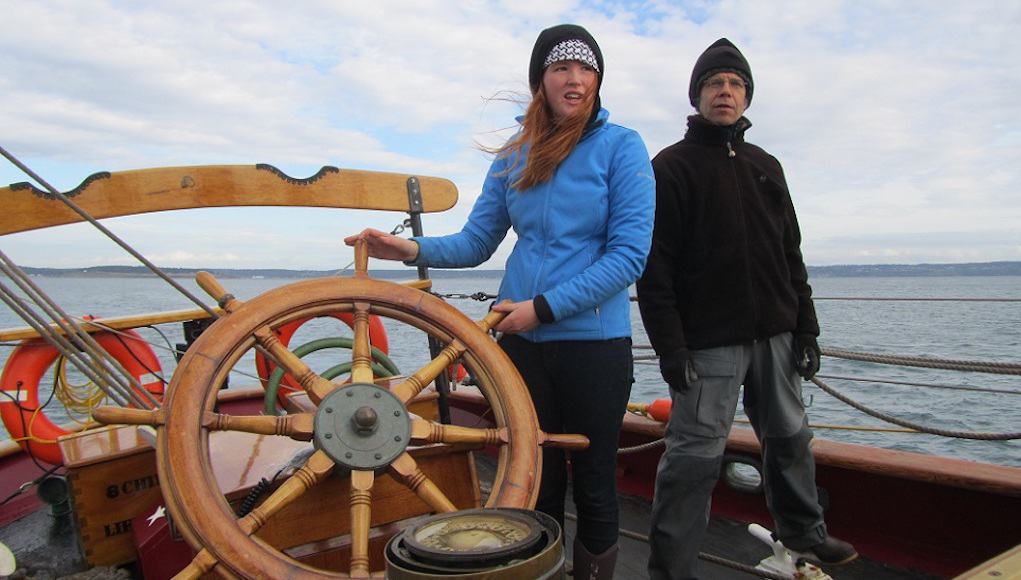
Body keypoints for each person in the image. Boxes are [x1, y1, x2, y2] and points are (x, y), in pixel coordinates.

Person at [345, 24, 654, 579]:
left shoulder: (622, 147)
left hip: (593, 346)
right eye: (561, 67)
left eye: (586, 68)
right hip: (522, 348)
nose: (574, 78)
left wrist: (544, 307)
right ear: (542, 80)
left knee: (594, 481)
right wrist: (407, 247)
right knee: (535, 477)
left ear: (599, 80)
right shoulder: (516, 155)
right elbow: (476, 241)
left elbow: (629, 257)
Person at [636, 38, 857, 579]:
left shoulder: (767, 165)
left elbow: (790, 252)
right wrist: (671, 346)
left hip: (777, 337)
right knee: (692, 460)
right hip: (709, 343)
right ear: (697, 96)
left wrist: (806, 328)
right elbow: (655, 265)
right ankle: (671, 570)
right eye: (715, 83)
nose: (725, 92)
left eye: (735, 84)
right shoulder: (671, 167)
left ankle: (805, 532)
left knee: (789, 440)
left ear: (747, 97)